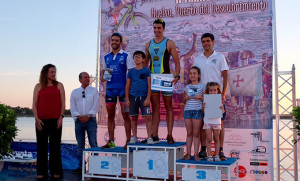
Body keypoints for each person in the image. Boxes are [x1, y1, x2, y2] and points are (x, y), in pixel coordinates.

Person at [193, 33, 229, 160]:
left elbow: (225, 76)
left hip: (216, 95)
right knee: (204, 123)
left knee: (220, 124)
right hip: (203, 95)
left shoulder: (219, 57)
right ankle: (204, 149)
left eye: (208, 41)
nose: (205, 43)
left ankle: (220, 150)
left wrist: (223, 95)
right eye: (203, 41)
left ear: (213, 42)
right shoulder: (198, 59)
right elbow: (194, 76)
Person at [145, 18, 180, 144]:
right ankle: (154, 135)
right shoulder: (148, 44)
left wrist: (177, 76)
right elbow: (145, 62)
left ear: (163, 29)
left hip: (166, 78)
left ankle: (169, 135)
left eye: (159, 28)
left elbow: (176, 60)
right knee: (155, 108)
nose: (157, 30)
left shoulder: (169, 43)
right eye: (155, 28)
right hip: (153, 79)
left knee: (169, 107)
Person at [100, 32, 134, 149]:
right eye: (112, 40)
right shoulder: (106, 57)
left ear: (120, 42)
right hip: (110, 90)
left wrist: (128, 90)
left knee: (126, 116)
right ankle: (111, 141)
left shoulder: (126, 56)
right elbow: (106, 74)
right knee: (110, 117)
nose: (114, 42)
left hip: (123, 91)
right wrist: (102, 78)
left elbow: (130, 74)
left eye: (116, 41)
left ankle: (128, 141)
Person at [32, 64, 65, 179]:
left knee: (55, 147)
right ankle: (41, 172)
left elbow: (63, 103)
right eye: (51, 72)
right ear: (45, 73)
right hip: (41, 121)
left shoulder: (59, 85)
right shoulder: (38, 86)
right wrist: (37, 119)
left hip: (56, 121)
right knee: (41, 147)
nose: (54, 74)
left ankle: (56, 171)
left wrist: (61, 117)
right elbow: (34, 105)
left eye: (55, 72)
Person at [70, 72, 100, 174]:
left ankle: (95, 166)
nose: (88, 79)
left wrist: (88, 116)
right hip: (79, 120)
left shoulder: (94, 91)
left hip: (90, 120)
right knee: (80, 145)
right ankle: (81, 166)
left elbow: (96, 104)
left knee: (93, 143)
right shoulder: (75, 92)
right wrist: (79, 116)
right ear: (80, 79)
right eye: (85, 77)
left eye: (88, 77)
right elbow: (72, 106)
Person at [125, 51, 153, 144]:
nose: (137, 58)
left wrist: (148, 98)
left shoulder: (146, 71)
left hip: (144, 97)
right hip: (133, 97)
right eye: (135, 56)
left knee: (147, 117)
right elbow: (127, 86)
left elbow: (149, 85)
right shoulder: (131, 72)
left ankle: (149, 137)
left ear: (143, 59)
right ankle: (134, 137)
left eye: (139, 56)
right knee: (133, 117)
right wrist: (127, 99)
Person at [182, 66, 205, 161]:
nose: (192, 75)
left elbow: (206, 100)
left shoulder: (202, 86)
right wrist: (186, 97)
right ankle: (188, 153)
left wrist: (200, 97)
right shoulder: (187, 87)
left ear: (198, 75)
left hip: (197, 111)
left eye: (194, 73)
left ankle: (196, 154)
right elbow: (183, 100)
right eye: (190, 73)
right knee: (189, 133)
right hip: (187, 111)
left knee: (196, 133)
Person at [202, 82, 224, 162]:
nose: (213, 92)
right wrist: (203, 107)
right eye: (211, 90)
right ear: (208, 91)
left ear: (217, 91)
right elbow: (204, 112)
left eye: (215, 90)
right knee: (208, 138)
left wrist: (222, 109)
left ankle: (217, 155)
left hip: (216, 121)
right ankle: (209, 155)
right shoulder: (206, 99)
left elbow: (223, 112)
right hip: (208, 120)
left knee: (216, 138)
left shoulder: (219, 99)